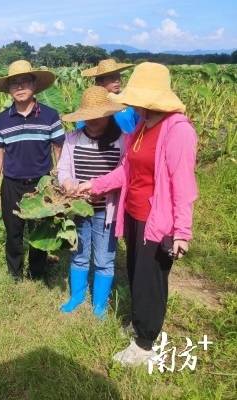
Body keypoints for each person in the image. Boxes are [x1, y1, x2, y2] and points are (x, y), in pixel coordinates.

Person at [78, 63, 198, 366]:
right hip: (132, 213)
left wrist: (182, 231)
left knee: (151, 279)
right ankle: (142, 322)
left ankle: (145, 345)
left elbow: (183, 184)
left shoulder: (178, 129)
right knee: (135, 271)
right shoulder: (142, 126)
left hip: (157, 220)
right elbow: (126, 171)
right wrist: (94, 185)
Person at [0, 60, 65, 281]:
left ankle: (36, 272)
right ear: (9, 89)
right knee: (13, 231)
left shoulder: (50, 115)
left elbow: (59, 149)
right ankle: (15, 273)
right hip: (12, 183)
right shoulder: (2, 119)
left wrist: (58, 180)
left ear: (34, 85)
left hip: (41, 183)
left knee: (40, 230)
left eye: (25, 82)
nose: (20, 87)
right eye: (14, 83)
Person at [57, 86, 126, 319]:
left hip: (106, 211)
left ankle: (99, 304)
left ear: (108, 115)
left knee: (104, 259)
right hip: (79, 208)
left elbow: (124, 174)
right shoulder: (72, 139)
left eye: (99, 115)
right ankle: (77, 296)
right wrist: (67, 184)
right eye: (89, 115)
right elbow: (63, 169)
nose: (93, 120)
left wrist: (100, 187)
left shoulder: (121, 141)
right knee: (79, 253)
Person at [78, 58, 139, 134]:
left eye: (118, 78)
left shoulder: (129, 102)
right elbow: (82, 130)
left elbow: (140, 125)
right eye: (112, 78)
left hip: (128, 144)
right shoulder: (91, 104)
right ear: (100, 83)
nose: (117, 81)